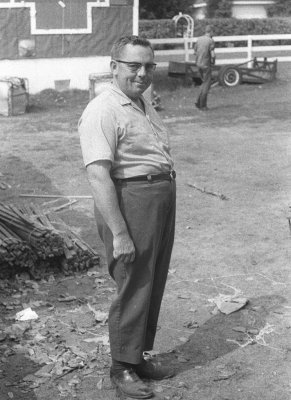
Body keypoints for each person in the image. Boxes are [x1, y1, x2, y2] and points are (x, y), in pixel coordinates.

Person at [78, 35, 176, 399]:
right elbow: (98, 175)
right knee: (133, 281)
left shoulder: (140, 103)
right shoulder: (103, 109)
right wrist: (119, 233)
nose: (143, 73)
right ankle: (121, 368)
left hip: (158, 197)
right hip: (131, 200)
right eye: (134, 65)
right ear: (114, 66)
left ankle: (137, 357)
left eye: (149, 66)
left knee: (152, 279)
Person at [194, 25, 215, 111]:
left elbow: (195, 51)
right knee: (207, 84)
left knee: (203, 83)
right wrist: (213, 61)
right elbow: (213, 54)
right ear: (211, 32)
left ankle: (198, 102)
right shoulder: (210, 41)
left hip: (198, 64)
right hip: (206, 65)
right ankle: (203, 105)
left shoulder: (199, 39)